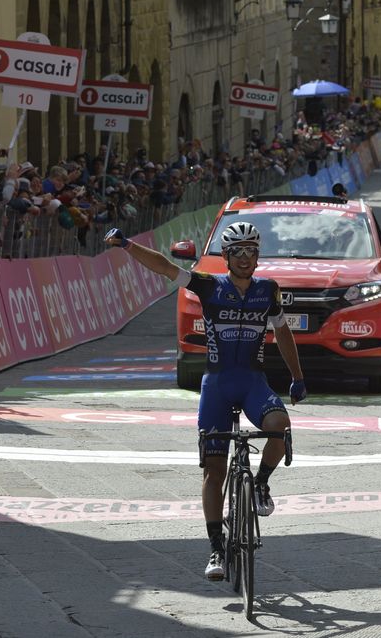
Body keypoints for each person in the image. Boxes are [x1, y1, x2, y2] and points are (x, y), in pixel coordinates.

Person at [104, 221, 306, 582]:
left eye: (252, 251)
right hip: (216, 384)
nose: (246, 258)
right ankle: (216, 547)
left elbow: (282, 330)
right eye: (238, 251)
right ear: (226, 256)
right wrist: (128, 245)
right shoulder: (210, 285)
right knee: (214, 470)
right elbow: (166, 267)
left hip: (252, 382)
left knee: (280, 427)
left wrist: (298, 376)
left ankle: (260, 483)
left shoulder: (268, 290)